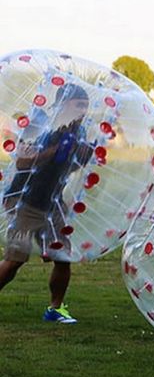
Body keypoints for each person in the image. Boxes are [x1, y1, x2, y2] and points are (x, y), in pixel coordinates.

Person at [0, 82, 94, 324]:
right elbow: (22, 163)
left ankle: (55, 308)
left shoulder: (79, 133)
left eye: (86, 105)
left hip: (54, 207)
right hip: (26, 205)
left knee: (63, 257)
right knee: (14, 261)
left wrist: (82, 156)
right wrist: (55, 150)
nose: (84, 110)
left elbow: (68, 169)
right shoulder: (41, 128)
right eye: (79, 104)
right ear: (64, 104)